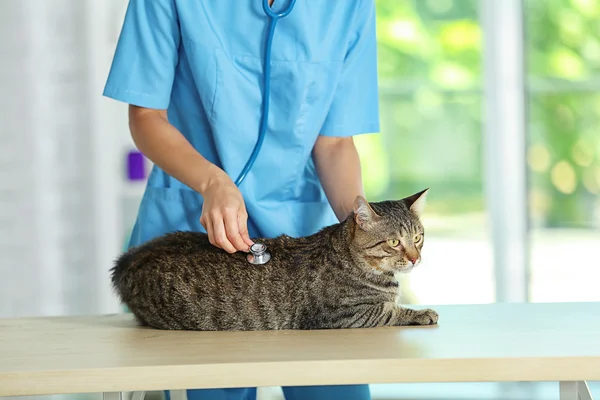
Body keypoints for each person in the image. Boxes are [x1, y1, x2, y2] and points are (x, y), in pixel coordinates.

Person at [103, 0, 380, 399]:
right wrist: (212, 182)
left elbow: (334, 142)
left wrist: (361, 230)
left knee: (339, 389)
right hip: (195, 248)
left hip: (304, 242)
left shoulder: (347, 6)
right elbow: (146, 117)